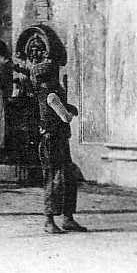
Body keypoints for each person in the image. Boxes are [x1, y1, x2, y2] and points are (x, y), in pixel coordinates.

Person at [33, 61, 86, 235]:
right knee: (55, 179)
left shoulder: (45, 94)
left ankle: (68, 218)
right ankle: (50, 220)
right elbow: (65, 118)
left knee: (67, 178)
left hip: (57, 140)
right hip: (53, 141)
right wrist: (71, 112)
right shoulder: (52, 96)